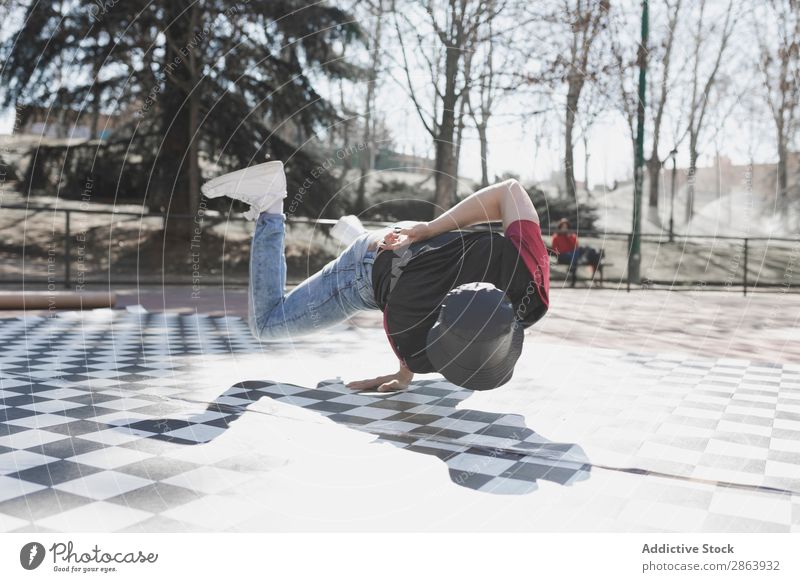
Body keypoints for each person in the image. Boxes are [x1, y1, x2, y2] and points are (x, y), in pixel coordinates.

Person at [201, 161, 550, 392]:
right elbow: (403, 339)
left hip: (407, 242)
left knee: (398, 257)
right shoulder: (408, 320)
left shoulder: (529, 272)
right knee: (266, 324)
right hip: (365, 270)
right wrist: (403, 374)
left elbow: (509, 191)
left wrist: (430, 228)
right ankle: (271, 207)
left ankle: (356, 231)